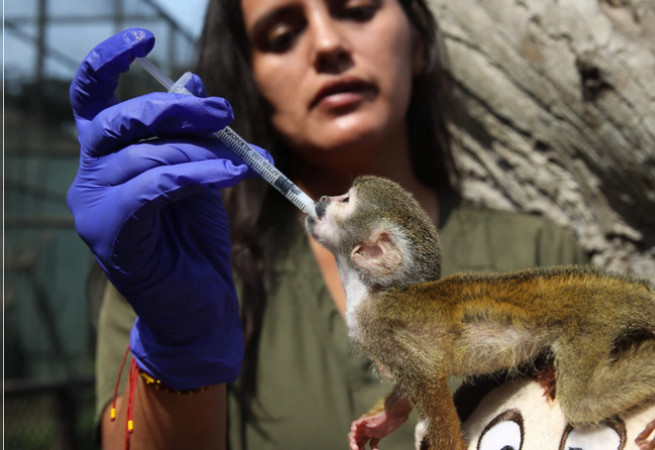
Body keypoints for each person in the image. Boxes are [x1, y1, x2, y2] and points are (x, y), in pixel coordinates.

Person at [67, 0, 588, 448]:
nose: (326, 44)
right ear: (250, 79)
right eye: (281, 35)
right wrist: (179, 351)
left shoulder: (538, 249)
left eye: (358, 10)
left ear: (419, 43)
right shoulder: (182, 268)